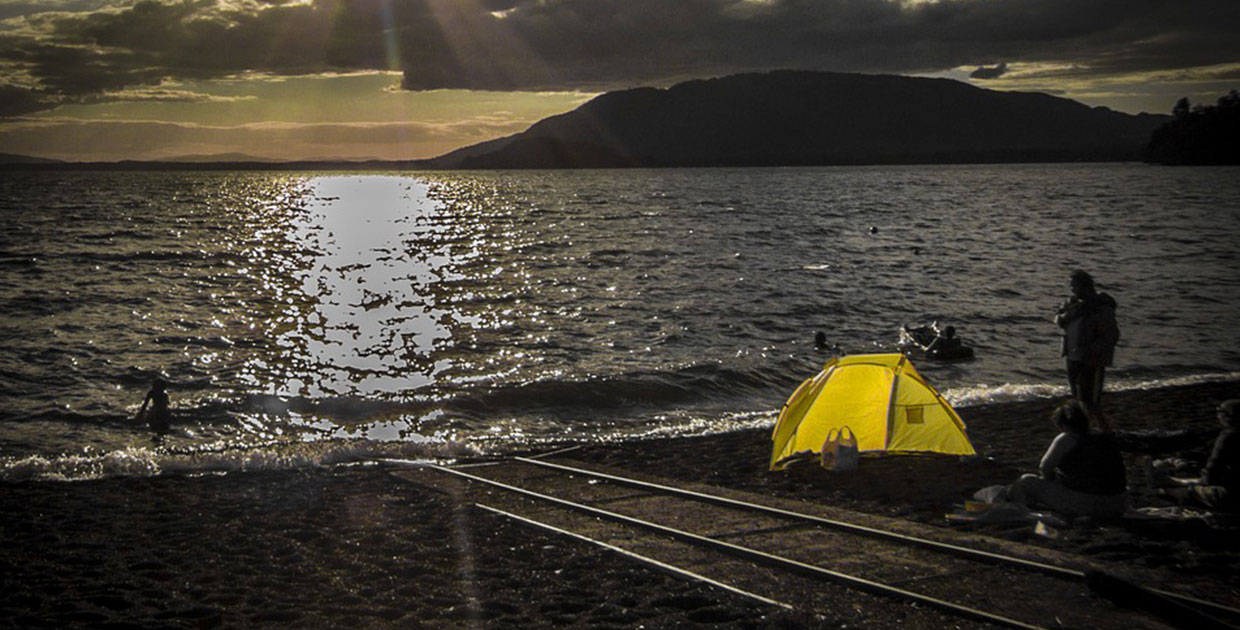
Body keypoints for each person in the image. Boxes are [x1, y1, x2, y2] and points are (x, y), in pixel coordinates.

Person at [1007, 400, 1128, 519]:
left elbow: (1044, 468)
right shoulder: (1103, 436)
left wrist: (1052, 480)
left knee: (1026, 482)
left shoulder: (1068, 438)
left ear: (1064, 425)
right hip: (1119, 503)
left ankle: (1024, 512)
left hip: (1090, 503)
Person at [1054, 270, 1119, 428]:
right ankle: (1085, 431)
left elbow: (1110, 336)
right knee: (1077, 399)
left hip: (1091, 360)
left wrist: (1090, 351)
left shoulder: (1100, 307)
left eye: (1074, 285)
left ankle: (1105, 431)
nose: (1072, 289)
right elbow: (1060, 320)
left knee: (1091, 402)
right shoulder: (1072, 305)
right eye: (1071, 286)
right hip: (1073, 357)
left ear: (1085, 286)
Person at [1161, 399, 1239, 512]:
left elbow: (1212, 471)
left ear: (1227, 417)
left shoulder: (1228, 437)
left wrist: (1196, 482)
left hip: (1232, 498)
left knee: (1168, 492)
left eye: (1219, 412)